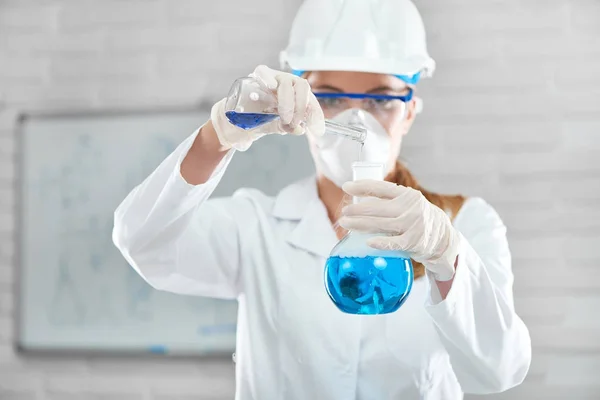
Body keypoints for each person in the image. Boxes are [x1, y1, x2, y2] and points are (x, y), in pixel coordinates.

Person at [113, 0, 531, 398]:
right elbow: (143, 242)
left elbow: (500, 369)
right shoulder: (257, 225)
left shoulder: (467, 223)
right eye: (329, 97)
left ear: (410, 110)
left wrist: (446, 254)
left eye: (381, 98)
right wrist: (216, 138)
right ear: (298, 104)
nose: (357, 119)